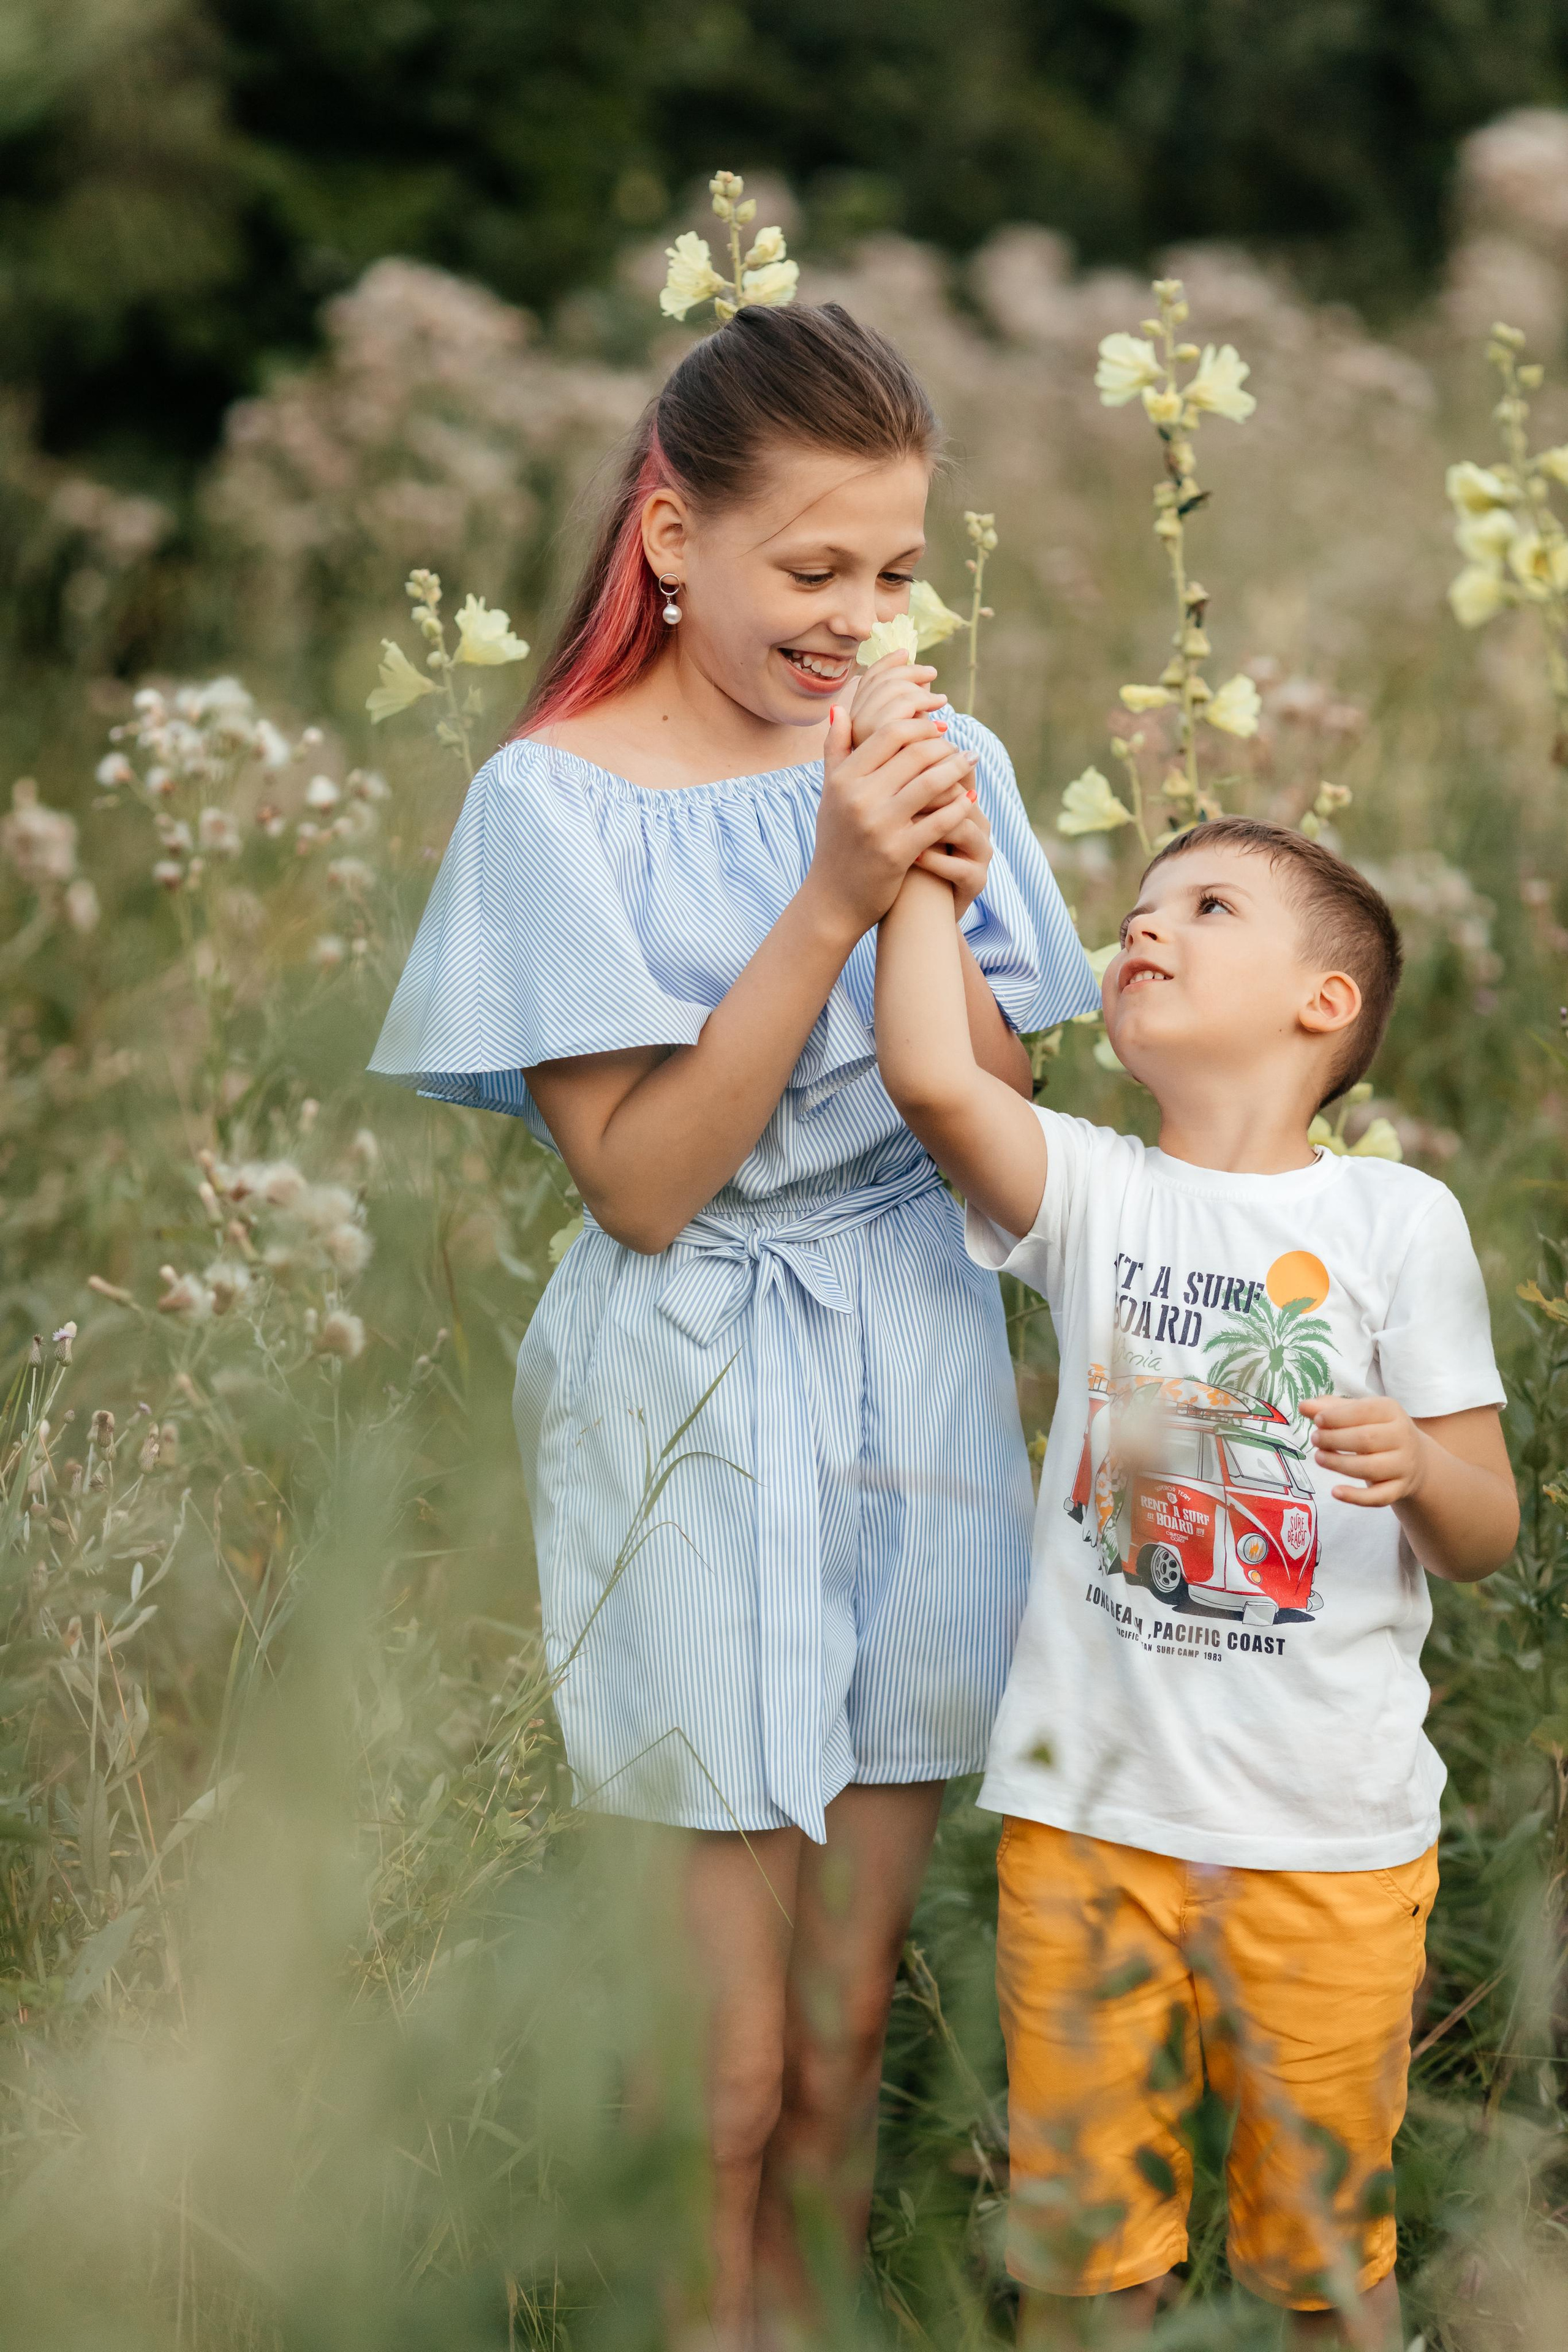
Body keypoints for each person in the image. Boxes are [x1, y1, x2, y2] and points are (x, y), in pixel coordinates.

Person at [369, 299, 1098, 2335]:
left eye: (894, 572)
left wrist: (931, 885)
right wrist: (836, 894)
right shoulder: (553, 806)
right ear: (673, 537)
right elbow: (645, 1179)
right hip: (687, 1384)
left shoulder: (942, 760)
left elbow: (1000, 1120)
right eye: (813, 569)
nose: (860, 619)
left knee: (844, 2050)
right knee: (721, 2075)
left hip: (913, 1379)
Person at [873, 818, 1519, 2348]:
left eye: (1206, 907)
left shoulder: (1391, 1221)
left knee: (1321, 2259)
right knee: (1084, 2265)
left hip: (1325, 1846)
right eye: (1135, 910)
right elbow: (930, 1077)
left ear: (1323, 1004)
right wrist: (910, 874)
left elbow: (1483, 1526)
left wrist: (1419, 1472)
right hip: (1090, 1837)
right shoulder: (1098, 1194)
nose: (1140, 930)